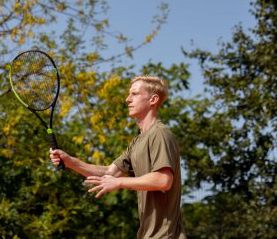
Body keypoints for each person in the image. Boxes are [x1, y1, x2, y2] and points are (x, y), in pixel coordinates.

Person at [50, 76, 186, 239]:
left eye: (134, 94)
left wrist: (119, 183)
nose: (128, 99)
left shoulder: (160, 134)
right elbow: (109, 173)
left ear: (153, 99)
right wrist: (71, 162)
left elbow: (163, 180)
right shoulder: (137, 141)